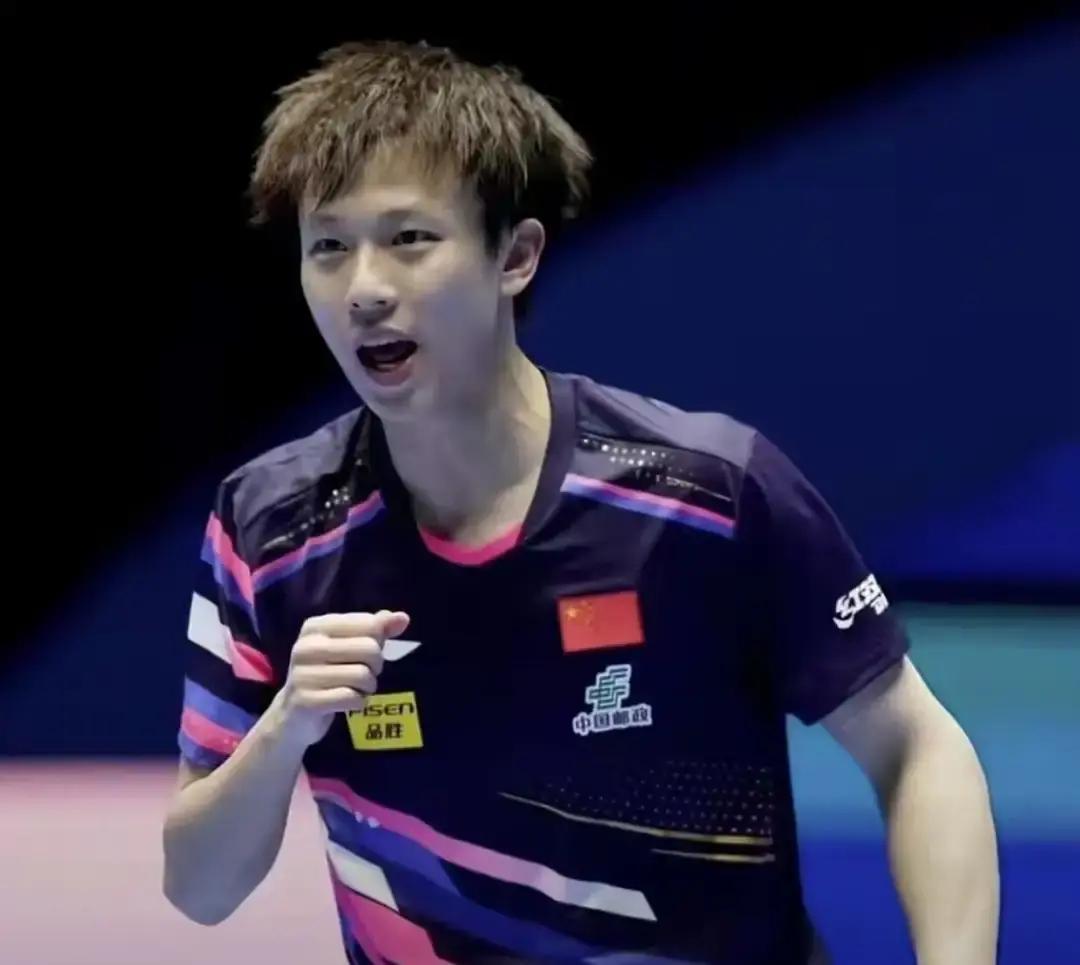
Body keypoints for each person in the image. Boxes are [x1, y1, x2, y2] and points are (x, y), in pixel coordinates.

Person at [162, 39, 999, 965]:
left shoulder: (707, 497)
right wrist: (286, 725)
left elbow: (914, 745)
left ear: (515, 256)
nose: (363, 289)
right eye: (329, 247)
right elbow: (200, 887)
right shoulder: (271, 529)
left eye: (409, 239)